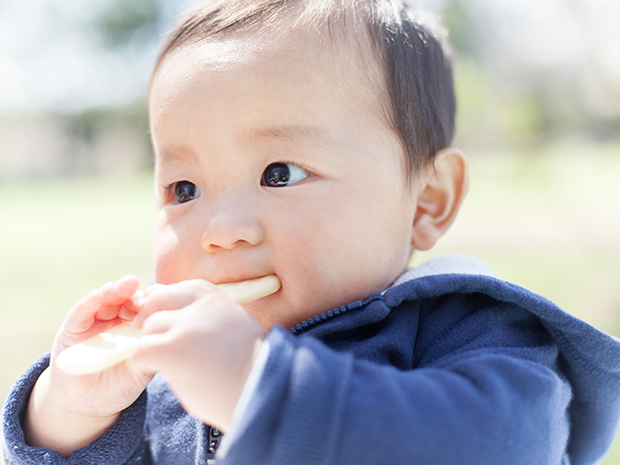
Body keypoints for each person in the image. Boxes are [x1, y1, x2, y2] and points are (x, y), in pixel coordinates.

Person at [3, 1, 620, 464]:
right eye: (183, 190)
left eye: (280, 172)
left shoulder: (466, 328)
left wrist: (255, 388)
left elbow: (498, 444)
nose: (221, 232)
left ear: (426, 200)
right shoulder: (176, 374)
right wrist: (68, 410)